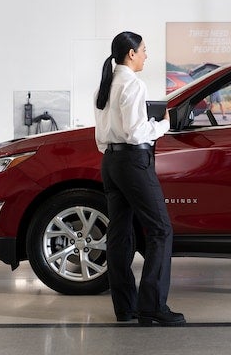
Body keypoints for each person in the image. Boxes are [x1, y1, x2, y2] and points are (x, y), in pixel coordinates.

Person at [94, 31, 186, 326]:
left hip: (110, 161)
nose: (147, 55)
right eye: (144, 50)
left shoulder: (107, 84)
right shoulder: (132, 84)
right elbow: (135, 132)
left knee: (120, 235)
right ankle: (153, 306)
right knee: (161, 230)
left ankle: (126, 308)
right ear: (131, 53)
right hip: (133, 161)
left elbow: (103, 135)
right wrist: (162, 126)